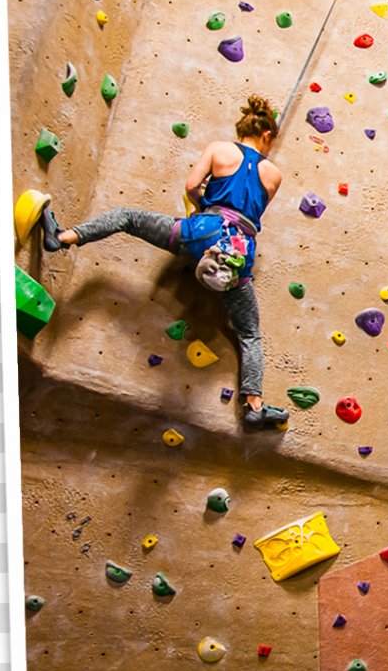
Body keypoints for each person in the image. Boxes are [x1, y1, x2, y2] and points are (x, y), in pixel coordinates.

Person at [38, 94, 289, 430]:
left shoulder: (219, 149)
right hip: (239, 249)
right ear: (268, 136)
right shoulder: (273, 174)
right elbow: (251, 213)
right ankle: (254, 406)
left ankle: (64, 237)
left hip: (201, 230)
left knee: (129, 217)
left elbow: (190, 187)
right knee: (249, 333)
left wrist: (203, 205)